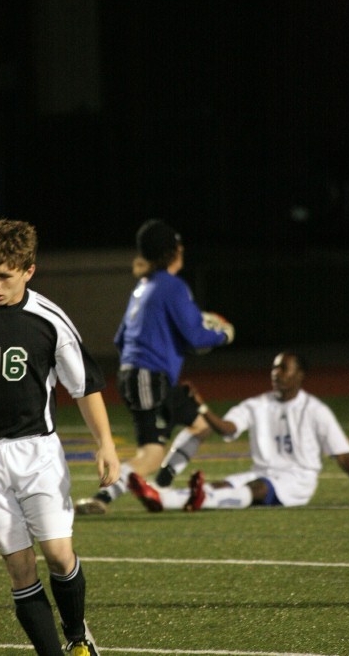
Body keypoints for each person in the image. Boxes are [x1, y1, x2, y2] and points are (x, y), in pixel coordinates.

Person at [0, 219, 120, 656]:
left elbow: (84, 386)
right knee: (20, 567)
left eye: (4, 276)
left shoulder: (49, 320)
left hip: (38, 453)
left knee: (59, 555)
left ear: (29, 270)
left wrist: (106, 443)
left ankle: (76, 636)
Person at [76, 218, 234, 515]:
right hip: (150, 378)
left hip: (140, 376)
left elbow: (120, 338)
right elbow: (195, 336)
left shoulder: (144, 287)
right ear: (174, 250)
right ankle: (103, 498)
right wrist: (222, 334)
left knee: (200, 426)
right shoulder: (172, 287)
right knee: (150, 455)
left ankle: (161, 483)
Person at [128, 351, 349, 511]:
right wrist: (201, 406)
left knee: (257, 489)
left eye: (283, 368)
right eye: (274, 368)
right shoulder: (257, 404)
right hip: (262, 472)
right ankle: (161, 499)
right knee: (218, 486)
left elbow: (343, 456)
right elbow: (227, 430)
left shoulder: (316, 410)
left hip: (297, 481)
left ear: (299, 375)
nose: (276, 373)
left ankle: (164, 499)